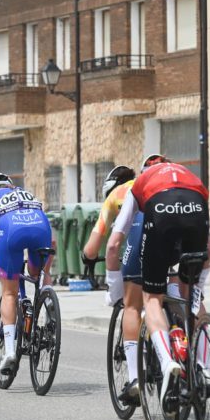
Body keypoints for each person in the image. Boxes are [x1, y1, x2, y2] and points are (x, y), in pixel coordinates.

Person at [112, 158, 210, 409]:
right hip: (195, 210)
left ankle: (167, 363)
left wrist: (113, 287)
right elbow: (208, 244)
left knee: (152, 299)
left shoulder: (140, 184)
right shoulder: (190, 176)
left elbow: (114, 242)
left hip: (161, 216)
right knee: (191, 299)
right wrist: (200, 283)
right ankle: (204, 368)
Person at [0, 173, 54, 375]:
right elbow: (53, 243)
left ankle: (9, 353)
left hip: (11, 231)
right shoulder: (27, 194)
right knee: (38, 273)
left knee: (9, 292)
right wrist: (46, 270)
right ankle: (49, 306)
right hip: (41, 229)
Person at [89, 164, 142, 402]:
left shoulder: (116, 196)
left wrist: (88, 259)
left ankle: (135, 378)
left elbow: (96, 247)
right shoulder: (150, 183)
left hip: (140, 239)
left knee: (131, 305)